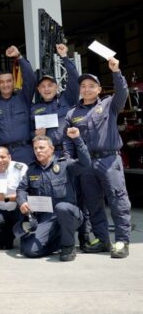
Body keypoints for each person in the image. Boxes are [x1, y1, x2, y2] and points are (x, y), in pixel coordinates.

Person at [63, 56, 132, 258]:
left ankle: (122, 241)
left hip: (109, 160)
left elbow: (123, 92)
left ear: (99, 89)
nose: (86, 89)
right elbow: (67, 140)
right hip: (86, 164)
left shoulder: (110, 105)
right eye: (83, 86)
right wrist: (69, 159)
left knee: (118, 200)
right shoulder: (72, 113)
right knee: (93, 204)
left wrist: (116, 72)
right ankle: (102, 240)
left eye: (91, 85)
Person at [16, 130, 90, 261]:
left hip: (70, 214)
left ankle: (68, 246)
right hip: (47, 218)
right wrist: (22, 202)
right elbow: (21, 189)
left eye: (42, 148)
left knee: (62, 207)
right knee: (30, 251)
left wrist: (78, 139)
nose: (38, 151)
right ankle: (59, 242)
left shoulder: (64, 164)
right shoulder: (32, 169)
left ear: (51, 149)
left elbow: (85, 163)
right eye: (36, 148)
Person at [0, 46, 37, 164]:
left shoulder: (23, 97)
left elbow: (31, 78)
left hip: (24, 152)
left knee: (26, 182)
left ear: (13, 82)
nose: (5, 85)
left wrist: (19, 57)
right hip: (2, 154)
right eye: (2, 82)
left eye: (8, 81)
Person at [30, 44, 79, 155]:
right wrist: (35, 134)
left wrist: (64, 56)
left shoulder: (67, 99)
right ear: (38, 89)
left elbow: (75, 78)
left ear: (56, 87)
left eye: (50, 85)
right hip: (46, 154)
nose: (46, 89)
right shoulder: (33, 108)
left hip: (69, 151)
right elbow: (27, 132)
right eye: (43, 86)